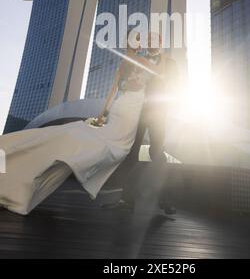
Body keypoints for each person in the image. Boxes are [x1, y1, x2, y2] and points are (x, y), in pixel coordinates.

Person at [0, 32, 164, 216]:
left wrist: (103, 113)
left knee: (95, 141)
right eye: (139, 39)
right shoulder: (140, 60)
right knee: (109, 146)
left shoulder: (126, 61)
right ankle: (73, 166)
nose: (142, 42)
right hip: (129, 109)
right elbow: (154, 75)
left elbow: (114, 90)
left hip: (122, 107)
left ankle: (29, 176)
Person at [118, 33, 178, 215]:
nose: (151, 43)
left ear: (160, 43)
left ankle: (166, 199)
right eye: (149, 40)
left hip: (159, 112)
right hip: (138, 111)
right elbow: (123, 81)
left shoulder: (170, 63)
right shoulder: (139, 60)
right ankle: (126, 199)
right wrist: (126, 84)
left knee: (158, 153)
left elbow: (177, 85)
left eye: (155, 40)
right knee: (131, 151)